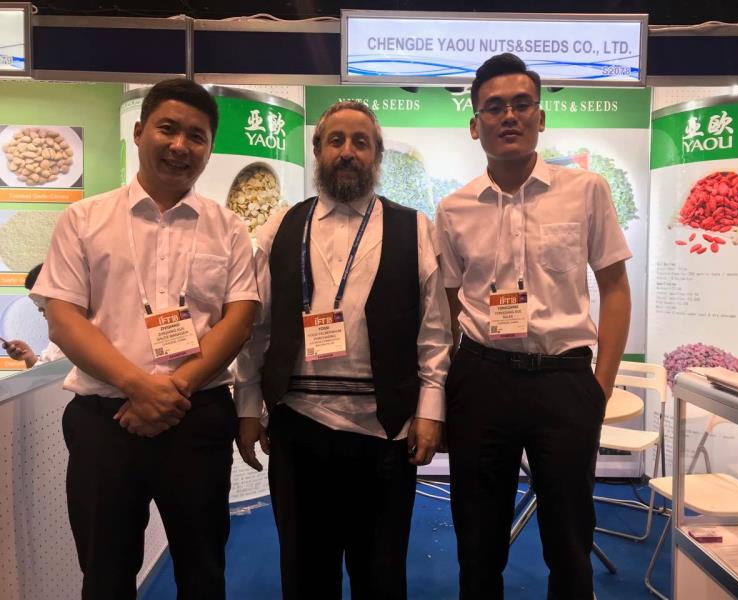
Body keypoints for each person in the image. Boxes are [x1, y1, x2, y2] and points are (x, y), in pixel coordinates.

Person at [30, 79, 259, 600]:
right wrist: (138, 386)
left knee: (204, 573)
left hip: (197, 418)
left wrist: (172, 390)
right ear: (139, 132)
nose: (180, 145)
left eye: (196, 136)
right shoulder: (84, 219)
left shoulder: (228, 228)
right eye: (167, 129)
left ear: (209, 147)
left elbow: (239, 319)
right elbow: (63, 319)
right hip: (105, 423)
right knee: (105, 576)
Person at [234, 100, 451, 600]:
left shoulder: (415, 228)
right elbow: (256, 329)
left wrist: (430, 410)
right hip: (299, 428)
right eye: (336, 140)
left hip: (384, 431)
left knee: (381, 576)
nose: (348, 152)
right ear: (318, 150)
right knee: (305, 575)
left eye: (361, 142)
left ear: (377, 155)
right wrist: (247, 408)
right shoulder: (280, 228)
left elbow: (435, 333)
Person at [436, 53, 632, 600]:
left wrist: (599, 386)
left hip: (564, 380)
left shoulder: (586, 190)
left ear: (540, 118)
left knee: (570, 541)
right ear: (474, 125)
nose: (509, 116)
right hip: (482, 379)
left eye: (522, 104)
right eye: (494, 107)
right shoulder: (453, 209)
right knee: (478, 540)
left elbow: (615, 290)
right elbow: (448, 309)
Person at [2, 263, 65, 367]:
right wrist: (30, 358)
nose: (39, 309)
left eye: (40, 300)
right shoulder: (60, 338)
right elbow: (46, 372)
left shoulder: (78, 336)